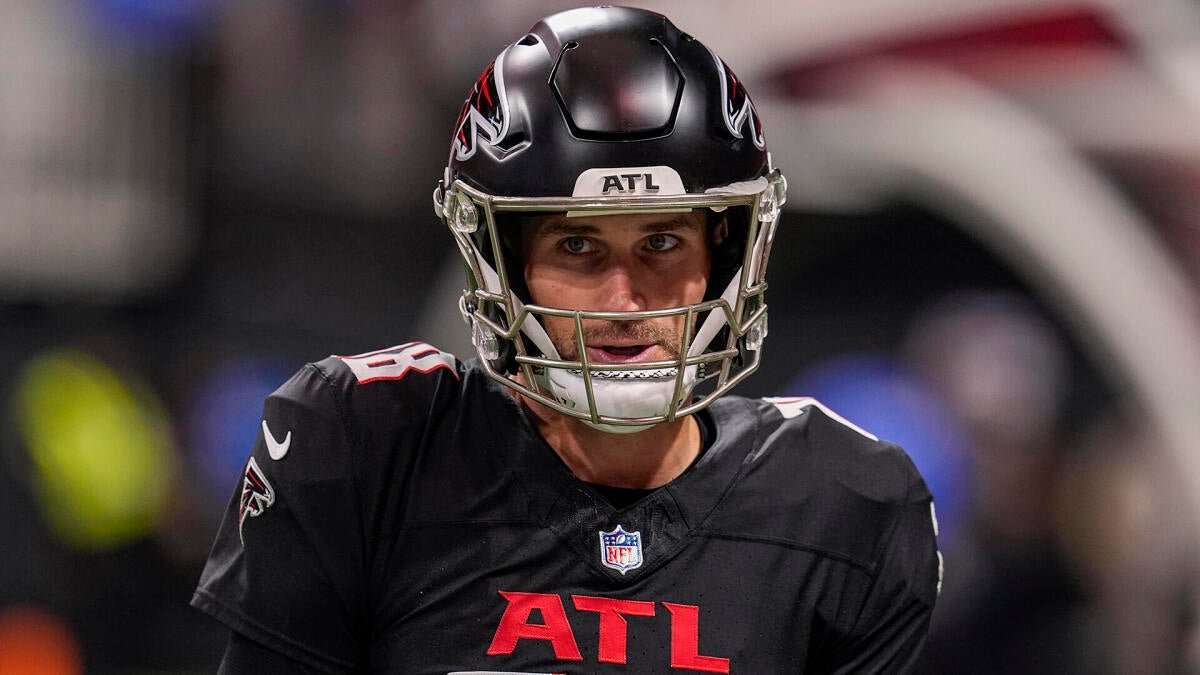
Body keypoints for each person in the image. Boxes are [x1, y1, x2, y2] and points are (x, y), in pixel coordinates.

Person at [192, 6, 941, 673]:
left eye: (661, 243)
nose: (623, 300)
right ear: (506, 264)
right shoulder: (369, 449)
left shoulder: (844, 506)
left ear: (724, 257)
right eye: (578, 246)